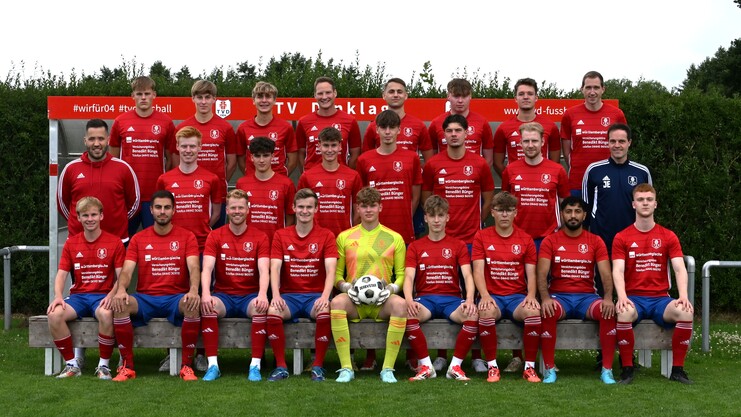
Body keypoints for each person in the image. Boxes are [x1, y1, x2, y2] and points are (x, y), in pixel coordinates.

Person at [421, 113, 494, 373]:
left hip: (472, 240)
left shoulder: (479, 163)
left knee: (471, 299)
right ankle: (441, 355)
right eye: (449, 131)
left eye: (458, 130)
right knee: (446, 294)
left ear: (466, 134)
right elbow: (427, 200)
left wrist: (476, 223)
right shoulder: (433, 164)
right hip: (442, 242)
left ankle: (475, 356)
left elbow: (488, 198)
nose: (453, 135)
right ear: (444, 135)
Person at [110, 190, 202, 381]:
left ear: (174, 210)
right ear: (151, 210)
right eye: (158, 207)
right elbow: (127, 271)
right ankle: (127, 367)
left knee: (192, 304)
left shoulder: (187, 236)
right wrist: (121, 290)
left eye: (167, 207)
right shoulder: (139, 238)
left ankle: (186, 366)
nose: (162, 211)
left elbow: (194, 267)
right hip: (146, 298)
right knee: (120, 305)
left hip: (175, 298)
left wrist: (194, 290)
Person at [612, 183, 694, 384]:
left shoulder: (668, 235)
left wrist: (683, 296)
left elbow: (679, 268)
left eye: (649, 199)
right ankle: (627, 369)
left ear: (655, 204)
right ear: (633, 204)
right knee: (623, 312)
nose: (645, 203)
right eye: (640, 200)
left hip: (660, 299)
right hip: (634, 298)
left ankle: (677, 370)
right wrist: (621, 297)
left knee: (685, 311)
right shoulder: (621, 237)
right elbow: (618, 270)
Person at [536, 196, 617, 384]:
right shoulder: (550, 241)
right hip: (559, 297)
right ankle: (549, 369)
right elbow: (541, 274)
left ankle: (607, 370)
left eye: (577, 211)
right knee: (548, 311)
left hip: (587, 299)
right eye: (568, 211)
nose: (573, 216)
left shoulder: (595, 241)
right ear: (562, 214)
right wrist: (545, 298)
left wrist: (607, 298)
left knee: (607, 312)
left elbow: (606, 273)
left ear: (584, 215)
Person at [330, 187, 407, 383]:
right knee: (337, 303)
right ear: (357, 208)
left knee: (400, 305)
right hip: (355, 301)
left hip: (382, 301)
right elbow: (337, 276)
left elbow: (401, 275)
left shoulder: (394, 238)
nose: (369, 210)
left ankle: (387, 369)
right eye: (364, 206)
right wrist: (347, 288)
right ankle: (346, 368)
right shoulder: (345, 237)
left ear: (380, 207)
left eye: (373, 205)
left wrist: (391, 289)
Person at [264, 188, 338, 381]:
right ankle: (281, 366)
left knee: (325, 310)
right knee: (273, 310)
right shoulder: (281, 235)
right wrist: (276, 295)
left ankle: (318, 367)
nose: (305, 211)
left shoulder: (327, 235)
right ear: (294, 208)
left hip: (315, 296)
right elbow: (275, 268)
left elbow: (331, 270)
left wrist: (325, 297)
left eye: (309, 207)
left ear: (316, 209)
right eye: (301, 207)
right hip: (289, 297)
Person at [47, 197, 125, 379]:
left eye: (93, 215)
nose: (90, 219)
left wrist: (112, 295)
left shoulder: (114, 242)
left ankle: (103, 366)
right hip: (79, 297)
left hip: (102, 296)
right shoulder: (71, 243)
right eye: (85, 215)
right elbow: (61, 274)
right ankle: (72, 365)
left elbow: (122, 277)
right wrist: (58, 296)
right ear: (79, 218)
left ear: (101, 216)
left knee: (106, 313)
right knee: (54, 314)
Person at [198, 189, 271, 381]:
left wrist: (262, 294)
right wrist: (205, 294)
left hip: (249, 296)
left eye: (241, 207)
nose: (237, 211)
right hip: (224, 296)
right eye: (233, 208)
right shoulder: (215, 235)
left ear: (248, 209)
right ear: (227, 210)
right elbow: (207, 268)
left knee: (260, 307)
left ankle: (255, 366)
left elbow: (264, 270)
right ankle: (213, 365)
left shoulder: (260, 236)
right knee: (208, 306)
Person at [402, 196, 477, 381]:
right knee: (407, 314)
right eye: (432, 215)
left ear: (447, 218)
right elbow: (409, 276)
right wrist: (409, 300)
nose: (436, 220)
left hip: (452, 300)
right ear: (425, 218)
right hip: (426, 299)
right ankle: (427, 367)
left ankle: (455, 366)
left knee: (472, 314)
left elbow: (468, 275)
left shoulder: (458, 245)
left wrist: (469, 300)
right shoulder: (415, 246)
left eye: (440, 215)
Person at [471, 192, 543, 383]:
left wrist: (531, 295)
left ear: (515, 213)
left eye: (509, 210)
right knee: (486, 311)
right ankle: (492, 367)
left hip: (516, 297)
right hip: (492, 295)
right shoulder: (481, 236)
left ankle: (529, 367)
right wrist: (484, 295)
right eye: (500, 210)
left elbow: (531, 273)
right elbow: (478, 271)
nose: (504, 214)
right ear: (492, 212)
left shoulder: (525, 239)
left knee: (533, 311)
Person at [109, 76, 176, 236]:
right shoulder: (120, 121)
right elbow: (113, 161)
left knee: (154, 240)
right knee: (123, 239)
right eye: (139, 94)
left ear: (154, 95)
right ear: (133, 96)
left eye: (147, 93)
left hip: (154, 195)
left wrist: (163, 184)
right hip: (127, 196)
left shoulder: (166, 122)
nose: (143, 98)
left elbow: (172, 159)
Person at [57, 118, 140, 243]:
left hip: (116, 240)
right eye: (92, 139)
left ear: (108, 140)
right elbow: (62, 204)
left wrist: (119, 220)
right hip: (79, 241)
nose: (96, 143)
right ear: (85, 141)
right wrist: (78, 220)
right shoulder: (71, 169)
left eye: (101, 139)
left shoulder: (123, 168)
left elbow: (134, 204)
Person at [582, 123, 652, 255]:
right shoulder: (594, 170)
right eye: (613, 141)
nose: (617, 145)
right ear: (608, 143)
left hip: (633, 242)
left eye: (621, 141)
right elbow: (585, 207)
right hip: (601, 241)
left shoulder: (642, 172)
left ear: (629, 142)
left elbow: (648, 207)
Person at [176, 80, 238, 228]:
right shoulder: (182, 127)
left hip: (217, 194)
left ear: (214, 99)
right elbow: (176, 160)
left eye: (207, 97)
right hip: (189, 194)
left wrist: (219, 182)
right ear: (193, 98)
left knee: (216, 235)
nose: (203, 102)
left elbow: (232, 162)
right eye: (199, 97)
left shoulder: (226, 128)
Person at [356, 109, 422, 245]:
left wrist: (405, 217)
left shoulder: (412, 158)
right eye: (383, 127)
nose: (387, 132)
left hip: (403, 232)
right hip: (373, 233)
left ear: (399, 130)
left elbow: (415, 196)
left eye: (392, 127)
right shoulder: (364, 160)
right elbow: (361, 197)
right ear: (377, 130)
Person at [501, 122, 570, 249]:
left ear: (542, 142)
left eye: (534, 141)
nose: (530, 145)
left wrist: (558, 231)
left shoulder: (558, 170)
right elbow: (505, 204)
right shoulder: (510, 170)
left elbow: (565, 205)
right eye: (526, 141)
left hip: (549, 238)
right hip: (517, 237)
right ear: (520, 143)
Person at [156, 126, 222, 253]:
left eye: (192, 146)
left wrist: (202, 228)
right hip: (173, 245)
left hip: (202, 246)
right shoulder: (164, 179)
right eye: (184, 146)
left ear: (200, 147)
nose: (188, 150)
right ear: (177, 147)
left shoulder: (212, 179)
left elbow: (216, 213)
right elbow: (160, 211)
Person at [560, 71, 627, 196]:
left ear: (603, 89)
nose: (592, 92)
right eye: (588, 87)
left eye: (596, 87)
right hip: (578, 182)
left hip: (609, 180)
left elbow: (623, 145)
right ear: (582, 89)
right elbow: (567, 151)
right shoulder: (570, 114)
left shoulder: (617, 114)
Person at [297, 127, 363, 237]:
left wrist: (350, 235)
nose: (330, 150)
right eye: (326, 145)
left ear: (340, 146)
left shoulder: (353, 176)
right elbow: (300, 211)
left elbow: (358, 211)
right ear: (319, 146)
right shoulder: (307, 176)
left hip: (344, 238)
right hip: (315, 238)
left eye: (333, 145)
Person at [493, 77, 561, 178]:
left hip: (542, 181)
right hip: (516, 184)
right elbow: (497, 163)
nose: (525, 97)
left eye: (530, 94)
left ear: (536, 98)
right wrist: (511, 179)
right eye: (521, 94)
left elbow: (555, 161)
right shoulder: (503, 128)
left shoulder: (550, 126)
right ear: (515, 98)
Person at [235, 137, 296, 241]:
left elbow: (290, 217)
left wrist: (280, 239)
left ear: (272, 156)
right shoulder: (241, 184)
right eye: (257, 156)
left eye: (266, 155)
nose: (261, 160)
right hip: (248, 243)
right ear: (251, 157)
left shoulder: (286, 184)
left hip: (275, 243)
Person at [296, 76, 361, 170]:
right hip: (312, 177)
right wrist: (307, 174)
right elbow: (300, 153)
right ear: (315, 95)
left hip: (341, 177)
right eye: (320, 93)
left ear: (335, 93)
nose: (324, 97)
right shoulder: (304, 122)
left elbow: (355, 153)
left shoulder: (350, 121)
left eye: (328, 92)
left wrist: (347, 174)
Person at [362, 78, 433, 163]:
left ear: (406, 96)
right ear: (384, 95)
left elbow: (429, 160)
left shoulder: (419, 125)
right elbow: (365, 158)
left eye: (399, 92)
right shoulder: (374, 126)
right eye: (391, 92)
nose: (395, 95)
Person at [236, 81, 298, 177]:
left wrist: (281, 178)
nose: (264, 100)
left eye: (268, 96)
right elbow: (241, 159)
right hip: (252, 182)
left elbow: (293, 160)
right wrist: (251, 178)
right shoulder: (243, 128)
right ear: (253, 100)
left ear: (274, 100)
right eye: (260, 96)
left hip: (278, 182)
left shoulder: (286, 127)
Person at [428, 78, 494, 166]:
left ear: (470, 96)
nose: (460, 101)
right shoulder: (436, 123)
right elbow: (431, 158)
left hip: (472, 173)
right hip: (446, 173)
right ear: (448, 96)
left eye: (464, 96)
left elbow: (489, 159)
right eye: (456, 96)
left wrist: (477, 173)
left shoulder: (482, 122)